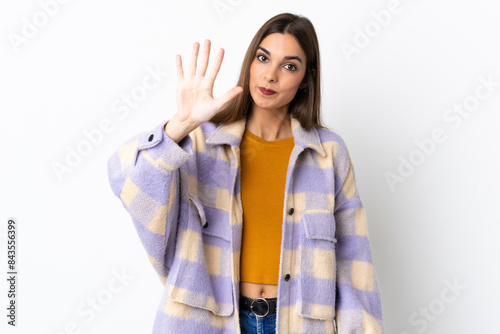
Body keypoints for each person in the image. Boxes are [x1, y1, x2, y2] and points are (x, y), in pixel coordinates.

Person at [107, 12, 384, 334]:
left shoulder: (328, 153)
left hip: (298, 324)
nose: (270, 76)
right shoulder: (199, 141)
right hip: (209, 323)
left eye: (289, 66)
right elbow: (127, 182)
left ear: (306, 79)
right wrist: (180, 124)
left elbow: (355, 263)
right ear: (249, 63)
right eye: (263, 58)